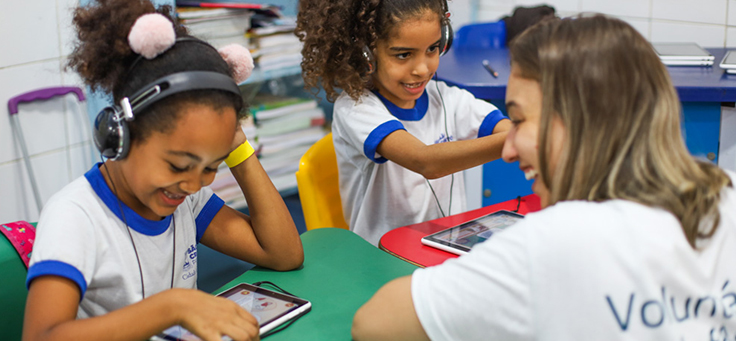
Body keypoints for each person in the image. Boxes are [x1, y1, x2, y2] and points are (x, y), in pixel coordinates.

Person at [351, 15, 736, 340]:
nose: (508, 149)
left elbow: (373, 324)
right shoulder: (728, 194)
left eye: (519, 120)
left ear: (579, 122)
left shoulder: (550, 244)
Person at [23, 1, 304, 340]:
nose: (192, 183)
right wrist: (172, 307)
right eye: (178, 165)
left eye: (210, 167)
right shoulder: (75, 217)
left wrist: (238, 150)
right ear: (121, 135)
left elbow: (283, 254)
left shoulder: (188, 199)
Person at [295, 0, 512, 245]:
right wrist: (519, 138)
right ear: (367, 54)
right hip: (382, 258)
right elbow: (425, 161)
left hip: (442, 249)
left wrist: (521, 133)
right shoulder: (356, 108)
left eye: (433, 49)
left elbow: (504, 128)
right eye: (403, 55)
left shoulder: (446, 97)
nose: (422, 69)